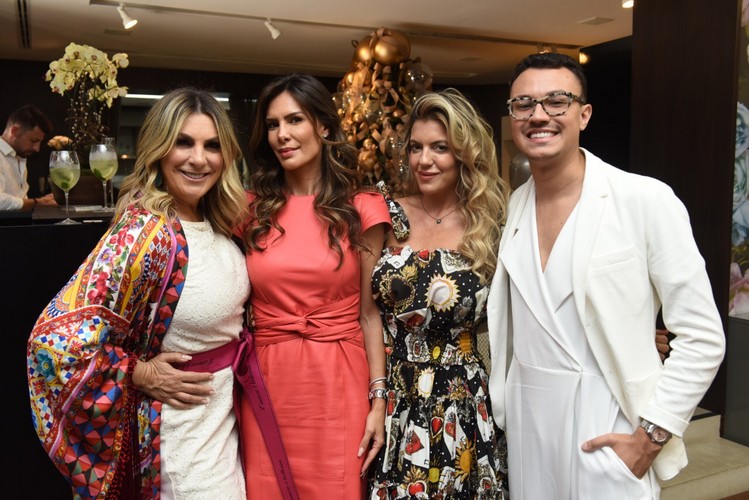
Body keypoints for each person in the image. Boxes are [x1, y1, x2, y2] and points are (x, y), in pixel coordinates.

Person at [487, 52, 726, 499]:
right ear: (513, 115)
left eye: (556, 101)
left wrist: (650, 437)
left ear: (584, 114)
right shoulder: (514, 205)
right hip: (526, 426)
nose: (538, 115)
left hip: (606, 426)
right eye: (524, 104)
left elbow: (703, 337)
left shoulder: (644, 199)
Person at [27, 87, 250, 499]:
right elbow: (52, 343)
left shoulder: (218, 221)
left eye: (212, 146)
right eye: (183, 142)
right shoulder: (144, 233)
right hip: (181, 454)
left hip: (223, 434)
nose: (199, 159)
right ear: (158, 150)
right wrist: (139, 373)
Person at [240, 73, 390, 498]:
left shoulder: (362, 207)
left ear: (323, 126)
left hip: (339, 382)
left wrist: (379, 400)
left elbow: (370, 314)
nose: (282, 135)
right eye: (273, 124)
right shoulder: (250, 210)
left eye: (295, 120)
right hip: (267, 383)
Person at [368, 89, 509, 499]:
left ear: (465, 153)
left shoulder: (490, 223)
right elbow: (364, 313)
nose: (423, 160)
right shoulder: (385, 214)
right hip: (396, 393)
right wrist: (377, 394)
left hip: (462, 395)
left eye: (439, 148)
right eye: (416, 147)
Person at [0, 104, 56, 210]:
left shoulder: (19, 156)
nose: (37, 148)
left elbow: (19, 202)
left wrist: (42, 202)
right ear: (14, 131)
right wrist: (36, 202)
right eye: (33, 141)